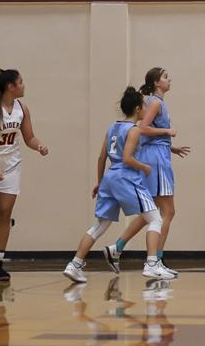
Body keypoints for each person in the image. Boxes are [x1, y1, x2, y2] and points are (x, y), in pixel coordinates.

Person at [62, 86, 170, 283]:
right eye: (144, 106)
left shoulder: (112, 127)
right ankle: (151, 264)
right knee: (155, 219)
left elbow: (101, 158)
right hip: (126, 178)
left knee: (100, 225)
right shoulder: (134, 130)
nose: (146, 109)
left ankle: (74, 264)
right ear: (137, 109)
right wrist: (144, 167)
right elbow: (127, 158)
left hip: (110, 178)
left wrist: (99, 182)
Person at [0, 68, 48, 281]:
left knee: (5, 214)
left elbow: (29, 137)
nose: (24, 85)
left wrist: (39, 146)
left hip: (11, 166)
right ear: (10, 86)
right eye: (20, 82)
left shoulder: (22, 108)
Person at [137, 67, 191, 276]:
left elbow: (150, 133)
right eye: (165, 77)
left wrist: (170, 146)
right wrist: (167, 131)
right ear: (156, 82)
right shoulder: (155, 102)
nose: (170, 79)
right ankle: (155, 260)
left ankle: (121, 248)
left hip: (159, 154)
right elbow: (143, 128)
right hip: (157, 159)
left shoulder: (156, 102)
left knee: (153, 212)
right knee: (167, 212)